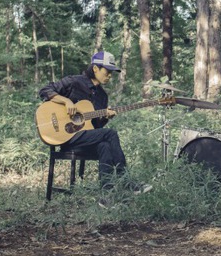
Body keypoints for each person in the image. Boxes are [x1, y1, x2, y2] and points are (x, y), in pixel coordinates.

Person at [39, 51, 152, 205]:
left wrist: (105, 118)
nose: (110, 76)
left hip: (84, 140)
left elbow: (94, 127)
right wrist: (66, 101)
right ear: (95, 68)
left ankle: (106, 196)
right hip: (66, 138)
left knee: (105, 146)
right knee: (111, 134)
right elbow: (45, 90)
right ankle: (126, 181)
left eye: (112, 73)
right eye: (107, 71)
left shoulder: (102, 97)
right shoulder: (75, 82)